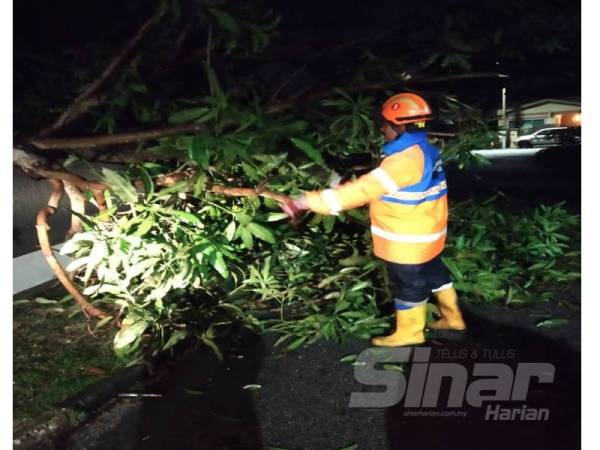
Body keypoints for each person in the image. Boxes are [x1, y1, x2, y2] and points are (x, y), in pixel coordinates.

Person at [280, 92, 466, 347]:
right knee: (436, 275)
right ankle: (452, 317)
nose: (381, 128)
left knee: (408, 287)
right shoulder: (426, 150)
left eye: (386, 124)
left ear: (399, 126)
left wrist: (303, 202)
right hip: (429, 234)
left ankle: (411, 332)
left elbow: (361, 192)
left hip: (407, 242)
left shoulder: (403, 162)